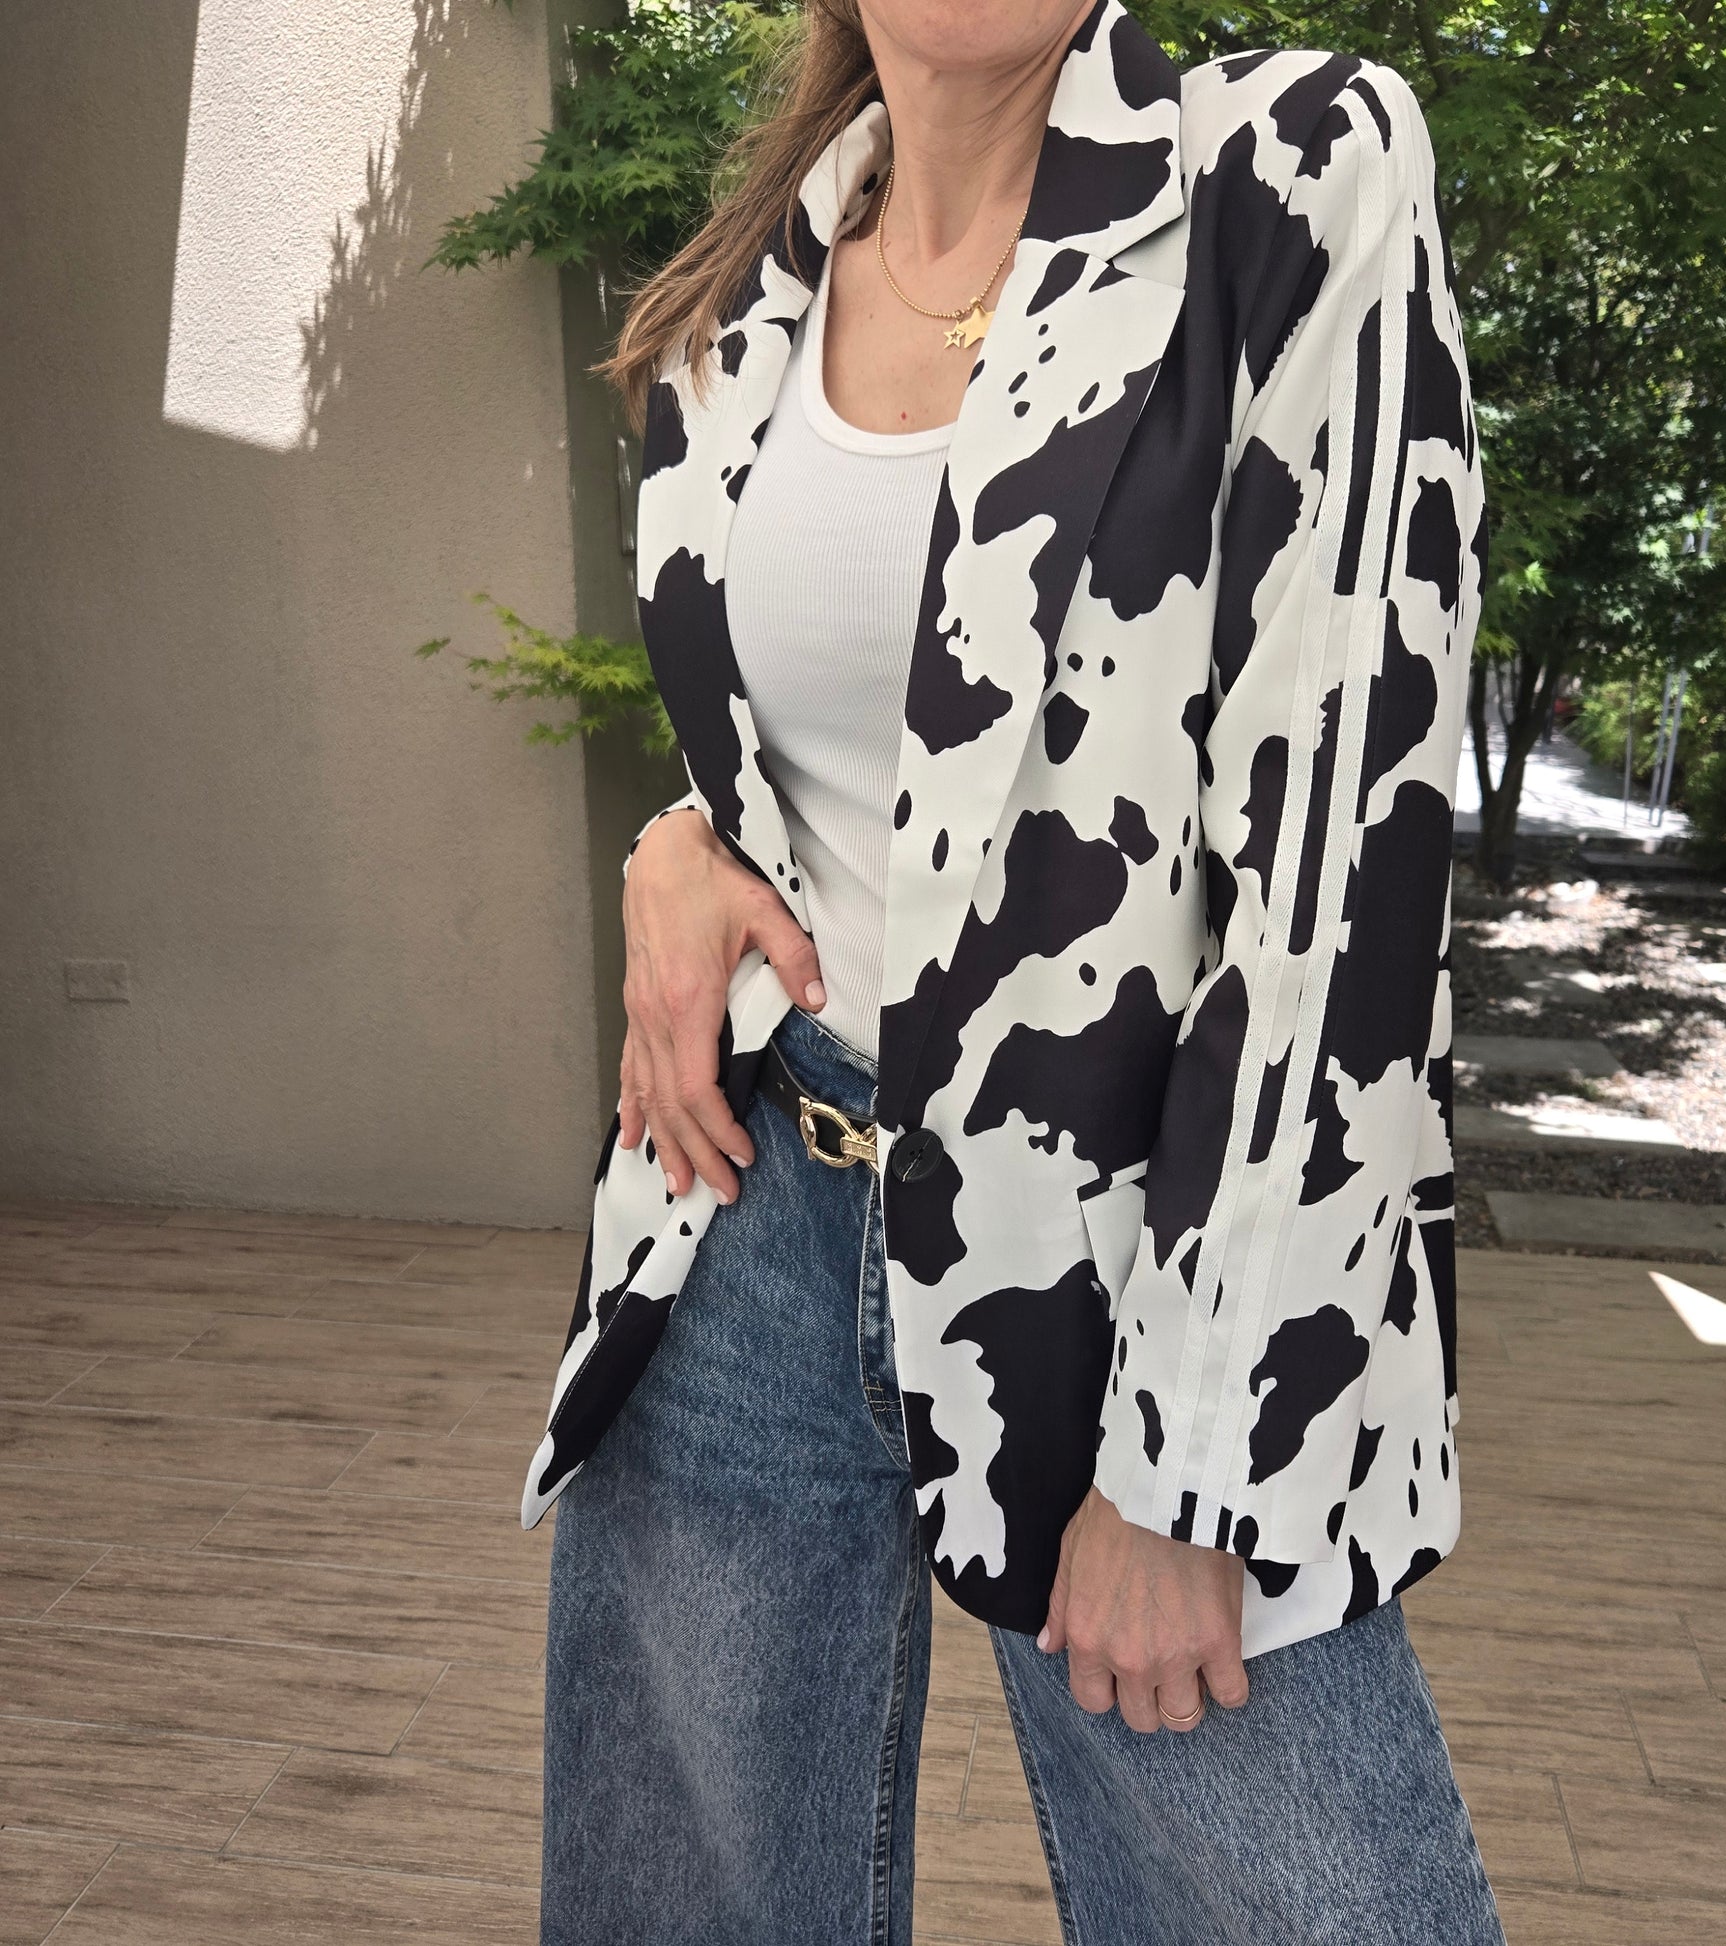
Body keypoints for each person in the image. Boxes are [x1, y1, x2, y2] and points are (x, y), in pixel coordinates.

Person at [527, 1, 1501, 1939]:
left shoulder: (1283, 175)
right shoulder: (744, 298)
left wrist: (1201, 1462)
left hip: (1139, 1263)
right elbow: (833, 741)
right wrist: (682, 844)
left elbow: (1340, 865)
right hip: (746, 1207)